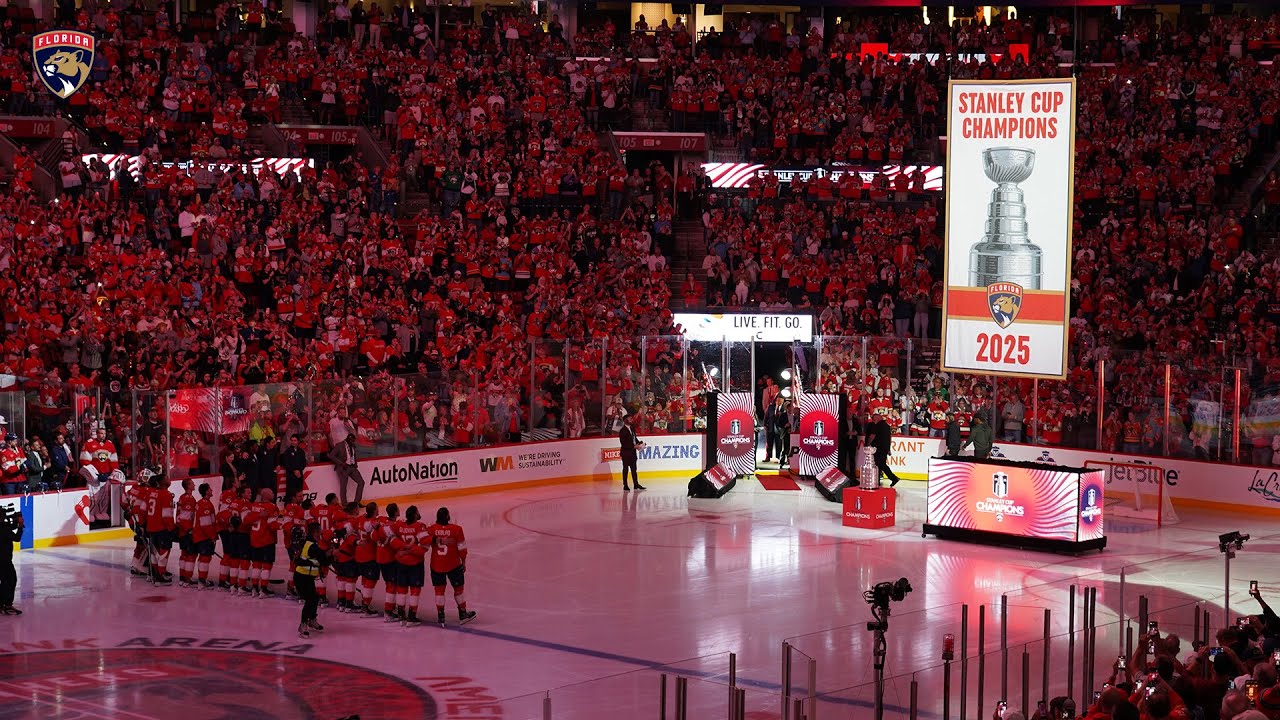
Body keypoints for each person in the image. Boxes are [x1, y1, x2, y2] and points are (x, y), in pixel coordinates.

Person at [428, 507, 476, 627]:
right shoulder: (457, 529)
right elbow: (462, 549)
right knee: (458, 590)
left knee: (439, 591)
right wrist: (463, 562)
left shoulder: (431, 529)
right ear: (448, 517)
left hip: (436, 565)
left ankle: (441, 616)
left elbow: (423, 540)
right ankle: (463, 613)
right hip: (453, 565)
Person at [291, 522, 328, 639]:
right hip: (302, 577)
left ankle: (312, 620)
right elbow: (324, 560)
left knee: (314, 598)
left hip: (306, 576)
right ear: (315, 532)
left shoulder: (308, 542)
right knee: (310, 600)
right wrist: (332, 554)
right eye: (319, 531)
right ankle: (303, 625)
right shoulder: (312, 546)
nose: (321, 533)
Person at [866, 415, 901, 487]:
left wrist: (867, 444)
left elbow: (872, 436)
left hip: (878, 448)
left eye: (874, 418)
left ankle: (892, 478)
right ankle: (881, 480)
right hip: (884, 448)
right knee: (881, 464)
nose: (873, 420)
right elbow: (889, 438)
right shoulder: (887, 426)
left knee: (880, 464)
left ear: (877, 418)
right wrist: (888, 449)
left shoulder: (877, 425)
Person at [329, 435, 364, 505]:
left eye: (353, 441)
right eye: (351, 440)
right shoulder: (339, 445)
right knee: (344, 486)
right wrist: (341, 463)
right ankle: (344, 504)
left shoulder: (353, 445)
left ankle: (356, 503)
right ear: (348, 439)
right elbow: (331, 455)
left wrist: (355, 464)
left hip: (352, 467)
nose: (353, 442)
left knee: (361, 482)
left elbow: (353, 455)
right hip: (343, 467)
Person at [0, 506, 23, 615]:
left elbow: (8, 526)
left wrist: (15, 523)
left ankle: (1, 605)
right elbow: (17, 538)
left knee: (3, 582)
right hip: (4, 560)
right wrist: (20, 526)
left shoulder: (4, 527)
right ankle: (7, 604)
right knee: (11, 580)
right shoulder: (4, 529)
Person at [618, 414, 646, 491]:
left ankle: (636, 484)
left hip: (633, 453)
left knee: (634, 469)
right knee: (625, 469)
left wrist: (639, 443)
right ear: (625, 420)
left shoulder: (632, 428)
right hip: (626, 453)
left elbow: (634, 438)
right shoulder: (622, 431)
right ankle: (625, 485)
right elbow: (623, 443)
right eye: (630, 419)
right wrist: (633, 446)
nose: (632, 420)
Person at [280, 435, 308, 501]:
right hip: (291, 476)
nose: (293, 442)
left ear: (298, 441)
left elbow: (303, 463)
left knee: (299, 492)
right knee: (290, 493)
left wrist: (299, 470)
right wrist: (294, 471)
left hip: (299, 476)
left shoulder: (301, 451)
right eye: (292, 440)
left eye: (295, 440)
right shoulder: (287, 451)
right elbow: (286, 464)